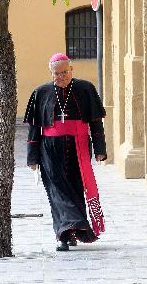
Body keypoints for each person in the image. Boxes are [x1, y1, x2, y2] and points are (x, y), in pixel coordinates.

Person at [24, 53, 107, 251]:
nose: (60, 77)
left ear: (72, 70)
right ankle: (64, 233)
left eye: (64, 73)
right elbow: (34, 129)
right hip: (50, 151)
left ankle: (71, 233)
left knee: (77, 189)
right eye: (56, 74)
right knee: (57, 191)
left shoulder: (85, 89)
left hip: (78, 146)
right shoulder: (41, 92)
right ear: (50, 73)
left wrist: (100, 149)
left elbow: (96, 123)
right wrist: (32, 157)